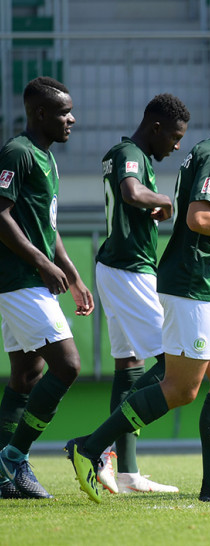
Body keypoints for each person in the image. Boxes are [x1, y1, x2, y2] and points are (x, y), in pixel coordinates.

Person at [66, 78, 210, 504]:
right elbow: (198, 218)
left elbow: (190, 227)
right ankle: (89, 447)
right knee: (181, 388)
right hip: (192, 289)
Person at [0, 77, 93, 499]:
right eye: (62, 111)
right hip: (19, 279)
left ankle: (3, 473)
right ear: (39, 113)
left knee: (27, 373)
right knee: (67, 365)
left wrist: (70, 273)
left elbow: (46, 226)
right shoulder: (17, 152)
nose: (71, 118)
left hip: (29, 278)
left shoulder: (46, 158)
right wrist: (40, 263)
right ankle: (14, 456)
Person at [93, 93, 190, 495]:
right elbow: (132, 192)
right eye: (175, 135)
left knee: (128, 363)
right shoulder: (128, 152)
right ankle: (98, 448)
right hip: (129, 270)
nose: (177, 144)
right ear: (155, 127)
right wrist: (165, 199)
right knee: (173, 362)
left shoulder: (134, 154)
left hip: (117, 268)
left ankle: (127, 472)